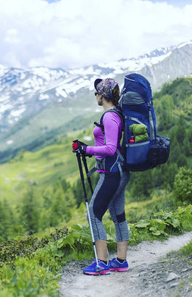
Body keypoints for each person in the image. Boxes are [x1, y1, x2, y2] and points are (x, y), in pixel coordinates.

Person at [73, 78, 131, 275]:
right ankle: (121, 261)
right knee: (118, 215)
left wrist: (85, 148)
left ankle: (102, 263)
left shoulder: (109, 117)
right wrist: (88, 150)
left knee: (93, 214)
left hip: (112, 173)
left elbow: (110, 148)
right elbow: (107, 145)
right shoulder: (116, 114)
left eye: (96, 93)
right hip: (119, 171)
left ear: (102, 96)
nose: (95, 96)